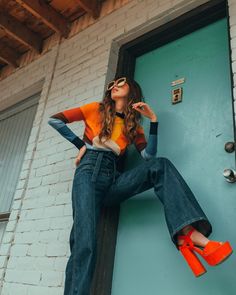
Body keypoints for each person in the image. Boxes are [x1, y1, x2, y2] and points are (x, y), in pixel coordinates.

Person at [48, 76, 233, 294]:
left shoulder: (132, 125)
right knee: (84, 242)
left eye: (120, 82)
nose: (113, 86)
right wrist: (81, 146)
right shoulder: (94, 109)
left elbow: (149, 156)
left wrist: (153, 120)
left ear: (132, 90)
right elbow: (55, 120)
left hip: (113, 179)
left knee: (160, 165)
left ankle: (187, 233)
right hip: (88, 174)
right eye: (111, 85)